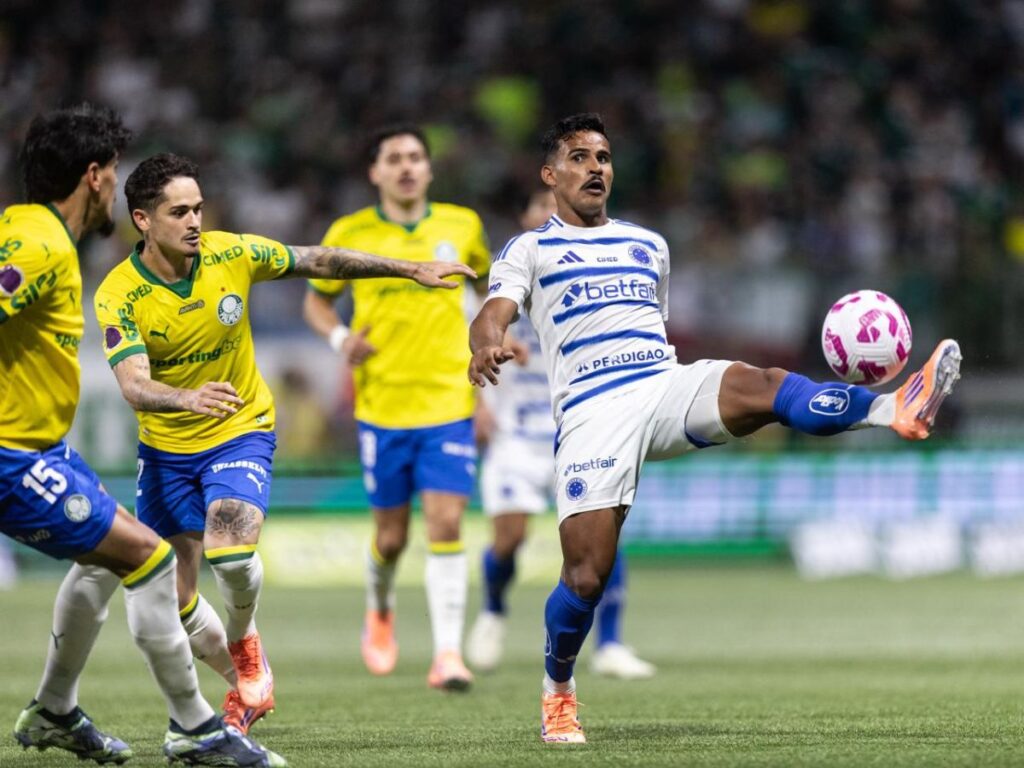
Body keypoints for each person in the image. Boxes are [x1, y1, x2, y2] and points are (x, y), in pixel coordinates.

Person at [468, 113, 962, 744]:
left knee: (766, 385)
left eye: (604, 157)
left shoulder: (648, 245)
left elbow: (654, 326)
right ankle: (558, 688)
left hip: (661, 380)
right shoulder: (529, 248)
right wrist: (488, 343)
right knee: (586, 575)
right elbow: (494, 313)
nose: (597, 167)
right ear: (550, 173)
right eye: (580, 156)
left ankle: (892, 408)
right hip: (592, 411)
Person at [93, 152, 475, 731]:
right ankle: (246, 682)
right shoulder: (119, 293)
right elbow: (134, 385)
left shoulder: (232, 252)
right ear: (143, 220)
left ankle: (245, 643)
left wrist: (406, 269)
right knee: (171, 601)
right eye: (179, 212)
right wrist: (186, 397)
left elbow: (318, 260)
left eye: (199, 207)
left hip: (239, 430)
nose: (195, 221)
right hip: (167, 449)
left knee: (233, 548)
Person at [3, 104, 283, 766]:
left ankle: (55, 711)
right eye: (117, 178)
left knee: (100, 567)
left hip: (43, 449)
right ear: (96, 178)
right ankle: (196, 729)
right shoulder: (38, 244)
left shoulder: (35, 232)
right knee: (152, 560)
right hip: (11, 455)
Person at [302, 124, 491, 691]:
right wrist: (340, 343)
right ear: (375, 171)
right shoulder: (350, 232)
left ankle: (448, 654)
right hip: (382, 406)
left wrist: (488, 337)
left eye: (415, 157)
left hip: (448, 399)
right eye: (394, 158)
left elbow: (480, 286)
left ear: (430, 169)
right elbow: (317, 304)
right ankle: (380, 611)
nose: (406, 166)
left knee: (447, 522)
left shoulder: (463, 226)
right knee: (390, 539)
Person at [468, 188, 654, 680]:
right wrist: (476, 400)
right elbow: (475, 332)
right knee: (508, 540)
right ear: (527, 221)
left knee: (603, 532)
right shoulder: (510, 271)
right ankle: (492, 610)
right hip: (516, 432)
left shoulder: (593, 272)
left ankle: (611, 643)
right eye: (542, 213)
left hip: (580, 426)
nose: (553, 218)